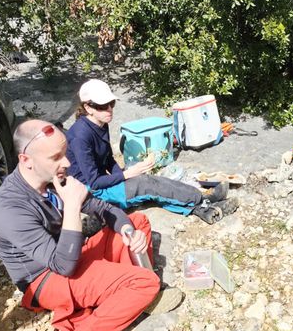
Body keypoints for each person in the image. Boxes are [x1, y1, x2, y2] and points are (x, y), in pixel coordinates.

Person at [0, 119, 182, 331]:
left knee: (137, 223)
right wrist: (72, 204)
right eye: (56, 157)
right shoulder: (9, 208)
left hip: (70, 254)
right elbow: (62, 266)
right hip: (44, 279)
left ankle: (130, 294)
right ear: (26, 160)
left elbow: (103, 208)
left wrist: (125, 229)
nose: (66, 162)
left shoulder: (54, 178)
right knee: (145, 282)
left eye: (65, 153)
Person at [66, 79, 237, 224]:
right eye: (103, 106)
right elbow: (94, 182)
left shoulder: (101, 122)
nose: (109, 109)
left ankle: (199, 204)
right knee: (147, 186)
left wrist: (128, 174)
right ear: (88, 108)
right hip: (90, 193)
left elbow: (108, 159)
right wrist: (127, 175)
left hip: (101, 183)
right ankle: (202, 201)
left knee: (149, 181)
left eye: (111, 104)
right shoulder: (80, 136)